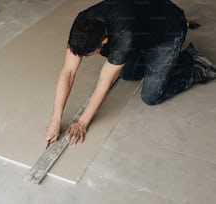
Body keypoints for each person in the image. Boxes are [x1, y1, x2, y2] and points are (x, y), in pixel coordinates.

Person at [45, 0, 216, 146]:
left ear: (104, 41)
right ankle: (160, 63)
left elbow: (105, 81)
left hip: (168, 30)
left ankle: (198, 68)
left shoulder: (124, 38)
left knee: (151, 95)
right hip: (143, 27)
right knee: (128, 75)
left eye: (88, 55)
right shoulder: (82, 24)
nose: (83, 59)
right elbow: (68, 72)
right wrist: (56, 117)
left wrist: (82, 122)